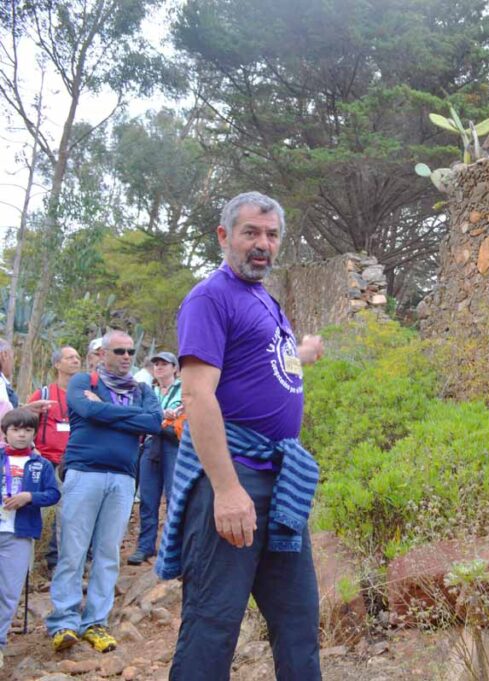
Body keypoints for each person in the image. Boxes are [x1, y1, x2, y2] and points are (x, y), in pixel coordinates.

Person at [156, 191, 324, 680]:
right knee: (213, 626)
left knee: (298, 623)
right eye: (251, 232)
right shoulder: (211, 297)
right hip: (235, 479)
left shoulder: (265, 300)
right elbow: (198, 397)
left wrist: (305, 352)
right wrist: (227, 491)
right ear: (225, 236)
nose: (262, 244)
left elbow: (270, 365)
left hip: (280, 483)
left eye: (271, 235)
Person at [46, 330, 162, 654]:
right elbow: (89, 412)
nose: (126, 356)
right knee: (73, 550)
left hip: (123, 480)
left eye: (130, 351)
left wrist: (109, 415)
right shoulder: (85, 381)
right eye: (119, 351)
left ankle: (95, 622)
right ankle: (64, 623)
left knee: (108, 554)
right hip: (84, 473)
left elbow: (154, 423)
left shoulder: (141, 389)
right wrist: (131, 419)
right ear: (103, 355)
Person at [0, 408, 60, 669]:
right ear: (5, 433)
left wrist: (29, 497)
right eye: (15, 430)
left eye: (27, 430)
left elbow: (53, 494)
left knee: (9, 592)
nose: (21, 435)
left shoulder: (41, 464)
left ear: (35, 433)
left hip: (20, 533)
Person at [28, 347, 81, 572]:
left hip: (71, 462)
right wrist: (32, 449)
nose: (75, 361)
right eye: (70, 358)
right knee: (33, 508)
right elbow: (24, 423)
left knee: (66, 512)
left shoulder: (82, 393)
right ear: (57, 364)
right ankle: (26, 564)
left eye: (78, 358)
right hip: (44, 460)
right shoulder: (44, 394)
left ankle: (55, 561)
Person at [128, 352, 182, 565]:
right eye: (156, 364)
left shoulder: (185, 389)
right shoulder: (148, 391)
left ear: (174, 368)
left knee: (173, 497)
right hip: (151, 444)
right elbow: (140, 417)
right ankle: (145, 546)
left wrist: (158, 418)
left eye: (164, 364)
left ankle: (173, 546)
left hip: (174, 444)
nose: (159, 367)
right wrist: (162, 417)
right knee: (148, 498)